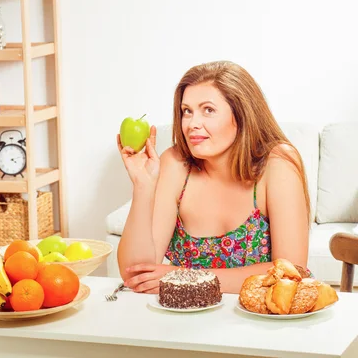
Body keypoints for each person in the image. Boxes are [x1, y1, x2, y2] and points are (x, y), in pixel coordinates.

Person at [117, 60, 311, 294]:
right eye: (187, 111)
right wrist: (142, 186)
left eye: (208, 110)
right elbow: (135, 274)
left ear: (241, 115)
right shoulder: (176, 164)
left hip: (262, 323)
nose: (192, 124)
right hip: (187, 319)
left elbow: (292, 272)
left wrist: (184, 277)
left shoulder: (277, 163)